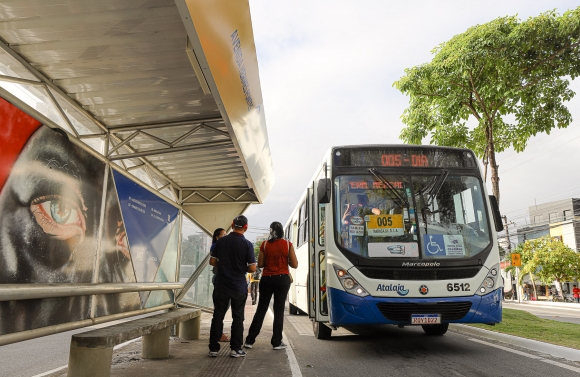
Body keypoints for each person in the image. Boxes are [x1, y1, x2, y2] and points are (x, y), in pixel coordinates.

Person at [244, 221, 298, 350]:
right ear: (282, 232)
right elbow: (295, 265)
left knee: (261, 309)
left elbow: (261, 264)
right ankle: (276, 342)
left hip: (267, 279)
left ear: (270, 231)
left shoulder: (265, 245)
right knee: (279, 311)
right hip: (282, 279)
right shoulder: (287, 244)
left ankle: (249, 340)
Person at [208, 215, 256, 358]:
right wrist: (241, 269)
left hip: (221, 284)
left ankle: (213, 349)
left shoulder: (221, 242)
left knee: (218, 316)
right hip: (238, 286)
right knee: (238, 317)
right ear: (245, 228)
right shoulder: (247, 244)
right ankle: (235, 349)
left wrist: (224, 267)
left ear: (232, 225)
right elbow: (252, 268)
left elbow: (212, 261)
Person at [210, 228, 230, 343]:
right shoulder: (216, 246)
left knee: (221, 309)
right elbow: (213, 262)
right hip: (220, 279)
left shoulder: (217, 246)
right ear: (217, 237)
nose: (225, 237)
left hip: (219, 278)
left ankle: (218, 333)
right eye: (223, 235)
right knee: (221, 309)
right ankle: (219, 334)